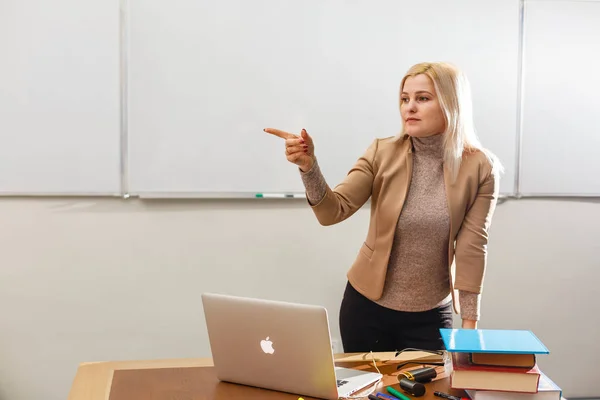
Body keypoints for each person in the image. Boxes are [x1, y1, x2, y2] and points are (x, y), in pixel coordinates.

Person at [264, 62, 502, 353]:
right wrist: (308, 166)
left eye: (423, 98)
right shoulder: (382, 152)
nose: (409, 107)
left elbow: (472, 247)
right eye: (405, 99)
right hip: (366, 310)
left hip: (429, 316)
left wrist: (469, 324)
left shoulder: (480, 167)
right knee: (365, 394)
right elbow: (332, 211)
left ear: (451, 104)